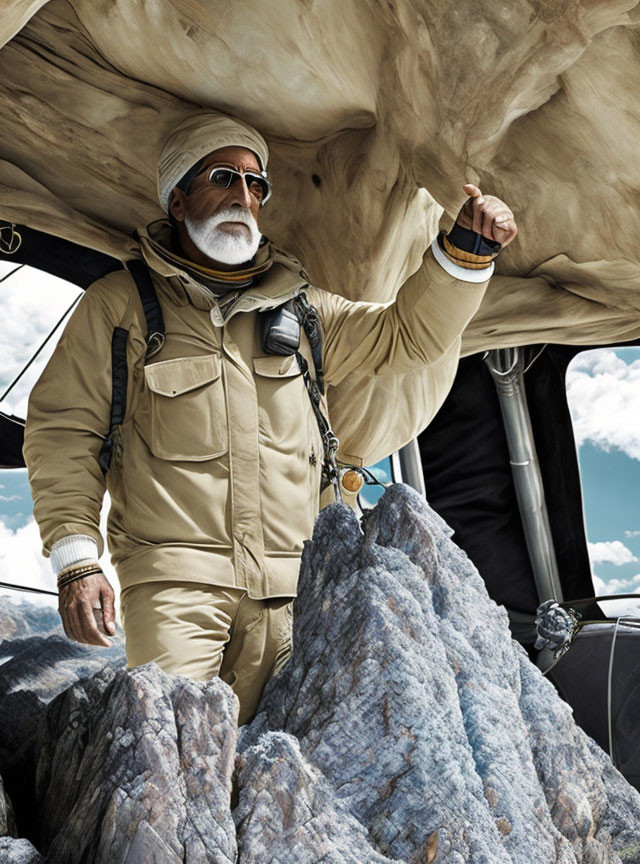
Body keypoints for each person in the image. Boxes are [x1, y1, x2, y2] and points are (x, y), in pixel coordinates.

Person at [23, 112, 517, 725]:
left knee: (296, 777)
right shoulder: (119, 307)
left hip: (296, 590)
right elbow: (63, 433)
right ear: (178, 199)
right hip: (176, 589)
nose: (243, 197)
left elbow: (406, 336)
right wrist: (76, 560)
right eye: (224, 178)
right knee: (177, 755)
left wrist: (466, 252)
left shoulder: (307, 310)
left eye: (257, 186)